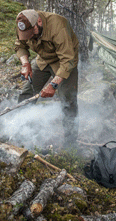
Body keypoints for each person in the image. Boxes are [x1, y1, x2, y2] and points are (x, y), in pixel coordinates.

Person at [14, 9, 79, 147]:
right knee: (27, 93)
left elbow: (68, 59)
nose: (30, 37)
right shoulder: (24, 24)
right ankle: (20, 132)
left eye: (32, 33)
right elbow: (20, 46)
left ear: (39, 21)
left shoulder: (58, 26)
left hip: (64, 62)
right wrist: (25, 64)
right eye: (27, 35)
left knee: (68, 99)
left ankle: (71, 145)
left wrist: (54, 84)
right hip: (43, 60)